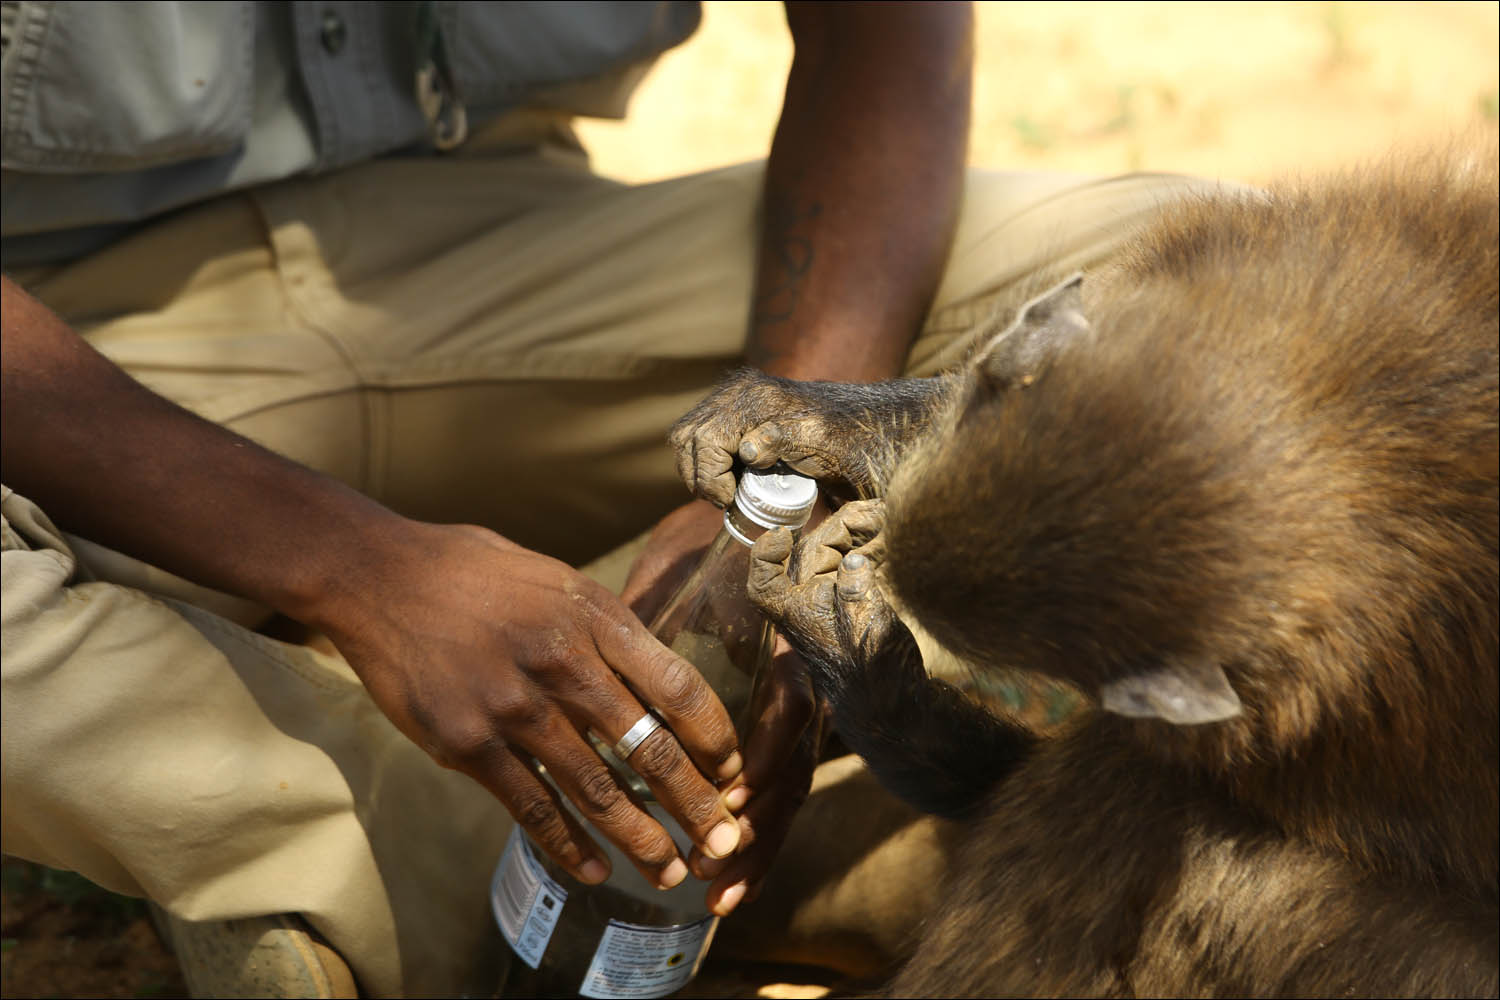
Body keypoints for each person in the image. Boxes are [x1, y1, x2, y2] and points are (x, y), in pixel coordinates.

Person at [1, 2, 1222, 994]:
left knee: (1184, 276)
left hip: (509, 245)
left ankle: (378, 849)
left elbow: (885, 29)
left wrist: (769, 471)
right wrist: (357, 568)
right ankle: (628, 864)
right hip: (67, 330)